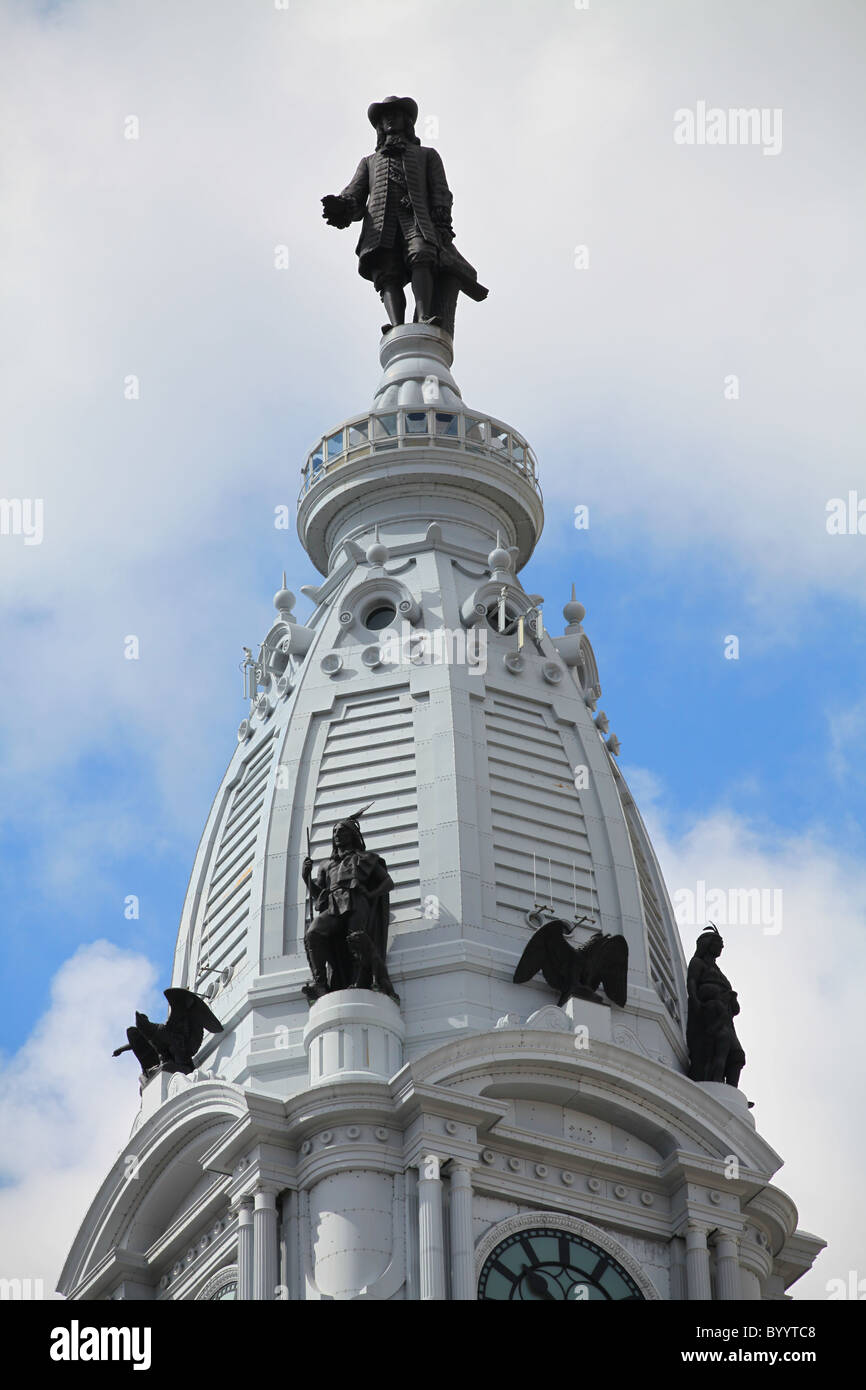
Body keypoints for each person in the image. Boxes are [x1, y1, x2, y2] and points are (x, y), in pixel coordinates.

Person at [321, 94, 488, 337]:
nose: (389, 119)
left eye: (395, 113)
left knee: (421, 255)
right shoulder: (369, 162)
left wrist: (442, 222)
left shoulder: (427, 155)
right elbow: (355, 195)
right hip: (380, 222)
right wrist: (342, 206)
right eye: (384, 116)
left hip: (417, 219)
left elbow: (441, 190)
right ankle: (396, 326)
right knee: (388, 272)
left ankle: (423, 316)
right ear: (379, 126)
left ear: (406, 121)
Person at [302, 813, 397, 1002]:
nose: (337, 834)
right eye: (335, 831)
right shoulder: (326, 865)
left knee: (356, 940)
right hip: (333, 904)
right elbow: (318, 894)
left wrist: (370, 895)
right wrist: (306, 877)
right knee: (313, 933)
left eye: (342, 831)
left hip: (356, 901)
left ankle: (362, 980)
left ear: (352, 835)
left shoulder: (366, 858)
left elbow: (387, 882)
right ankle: (320, 983)